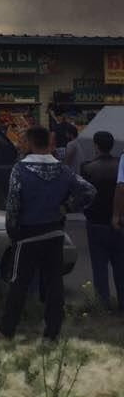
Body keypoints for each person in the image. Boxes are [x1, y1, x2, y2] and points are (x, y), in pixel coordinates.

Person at [0, 126, 95, 342]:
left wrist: (13, 231)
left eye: (23, 141)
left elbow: (13, 203)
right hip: (54, 232)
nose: (21, 144)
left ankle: (7, 330)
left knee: (19, 284)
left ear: (31, 143)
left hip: (28, 233)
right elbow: (89, 190)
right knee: (54, 284)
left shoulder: (20, 169)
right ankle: (52, 333)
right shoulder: (62, 169)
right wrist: (66, 208)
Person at [80, 130, 124, 312]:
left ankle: (102, 305)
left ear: (96, 146)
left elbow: (83, 196)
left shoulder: (88, 168)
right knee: (121, 266)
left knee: (99, 267)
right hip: (119, 223)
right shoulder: (119, 165)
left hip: (96, 223)